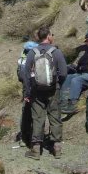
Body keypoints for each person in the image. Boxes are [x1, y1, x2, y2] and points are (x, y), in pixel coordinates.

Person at [22, 27, 67, 159]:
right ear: (48, 36)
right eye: (52, 34)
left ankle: (36, 150)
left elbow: (25, 74)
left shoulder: (32, 53)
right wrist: (58, 83)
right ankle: (57, 148)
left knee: (37, 118)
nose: (53, 36)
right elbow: (64, 72)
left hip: (36, 91)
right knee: (55, 117)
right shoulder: (56, 52)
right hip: (53, 89)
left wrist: (27, 91)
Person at [60, 32, 88, 116]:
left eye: (87, 40)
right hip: (82, 72)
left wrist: (79, 65)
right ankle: (63, 101)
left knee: (76, 80)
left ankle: (72, 103)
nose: (85, 42)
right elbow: (80, 50)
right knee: (68, 77)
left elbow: (86, 60)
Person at [15, 40, 39, 144]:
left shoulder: (22, 59)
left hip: (26, 89)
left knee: (26, 112)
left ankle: (25, 137)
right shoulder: (32, 59)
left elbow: (20, 77)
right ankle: (33, 138)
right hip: (33, 88)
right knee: (34, 113)